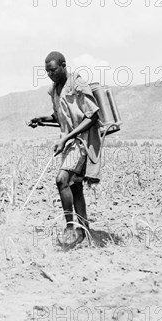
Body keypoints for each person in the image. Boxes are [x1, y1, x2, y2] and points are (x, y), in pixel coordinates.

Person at [28, 51, 102, 250]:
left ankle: (70, 227)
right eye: (47, 71)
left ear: (63, 65)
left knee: (61, 180)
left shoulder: (77, 84)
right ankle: (84, 229)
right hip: (69, 142)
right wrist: (41, 120)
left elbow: (92, 116)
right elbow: (60, 116)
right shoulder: (55, 90)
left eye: (53, 70)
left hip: (83, 141)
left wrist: (67, 138)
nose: (50, 74)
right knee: (74, 186)